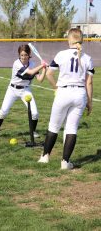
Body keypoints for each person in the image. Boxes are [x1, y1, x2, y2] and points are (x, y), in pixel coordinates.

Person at [38, 28, 95, 169]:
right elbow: (89, 82)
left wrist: (55, 88)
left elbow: (49, 74)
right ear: (81, 40)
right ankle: (65, 162)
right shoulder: (87, 58)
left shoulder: (61, 55)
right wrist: (89, 102)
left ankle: (45, 156)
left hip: (63, 93)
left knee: (54, 126)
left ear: (69, 40)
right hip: (79, 95)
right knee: (71, 129)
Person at [0, 44, 47, 141]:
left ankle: (33, 131)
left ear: (29, 54)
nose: (23, 57)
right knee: (3, 111)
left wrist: (44, 69)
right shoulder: (17, 64)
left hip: (25, 90)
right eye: (21, 55)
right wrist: (42, 65)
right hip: (12, 90)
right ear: (19, 55)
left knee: (35, 113)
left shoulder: (32, 64)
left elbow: (40, 79)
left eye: (25, 55)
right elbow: (31, 73)